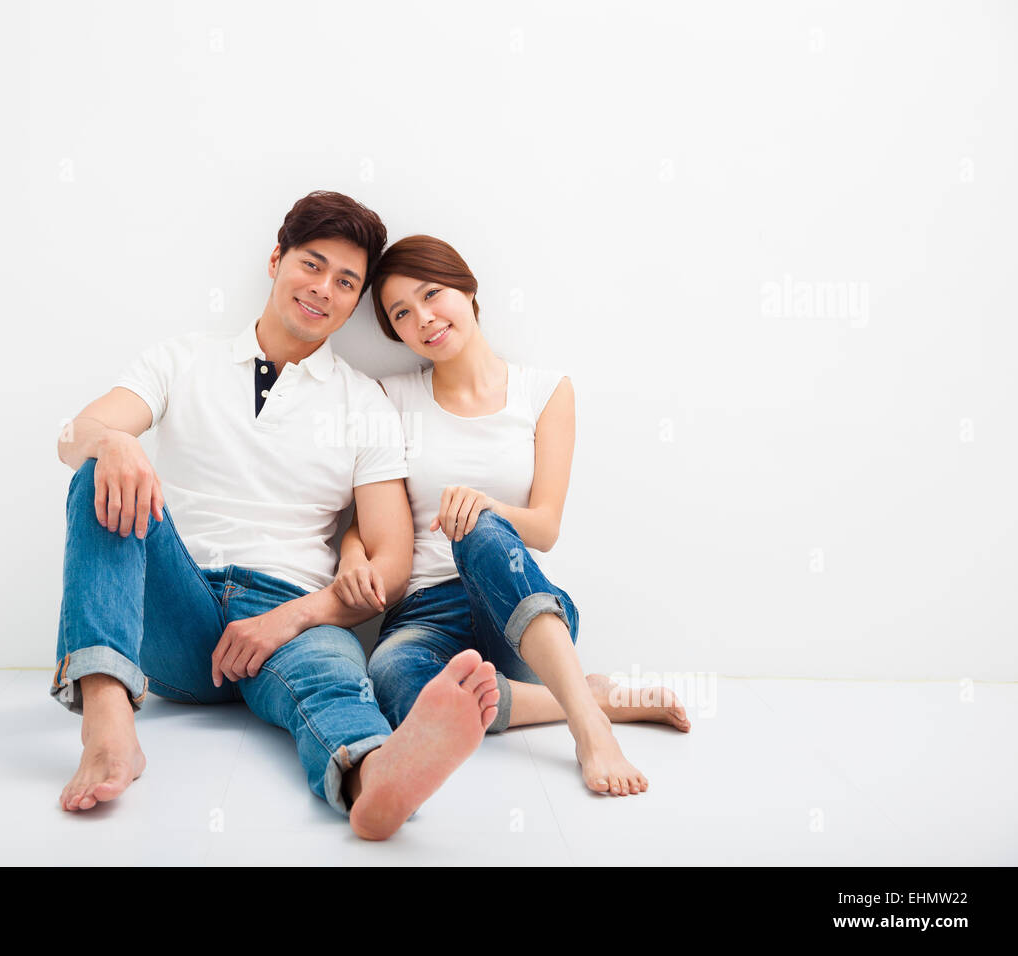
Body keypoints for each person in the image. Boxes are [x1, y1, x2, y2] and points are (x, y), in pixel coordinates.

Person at [51, 194, 501, 840]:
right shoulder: (184, 359)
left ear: (355, 302)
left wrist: (291, 617)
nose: (324, 290)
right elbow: (72, 435)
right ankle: (108, 724)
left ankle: (373, 777)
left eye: (346, 282)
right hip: (178, 612)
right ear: (275, 261)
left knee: (332, 679)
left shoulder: (363, 402)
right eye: (312, 266)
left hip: (290, 618)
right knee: (99, 472)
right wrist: (110, 441)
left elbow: (391, 563)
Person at [332, 235, 691, 798]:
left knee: (477, 526)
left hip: (518, 607)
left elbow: (545, 526)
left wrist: (486, 509)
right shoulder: (391, 397)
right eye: (402, 313)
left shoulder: (544, 391)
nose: (423, 318)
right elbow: (368, 520)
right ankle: (586, 694)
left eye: (433, 295)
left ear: (468, 290)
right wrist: (353, 555)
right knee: (392, 682)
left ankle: (589, 727)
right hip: (422, 615)